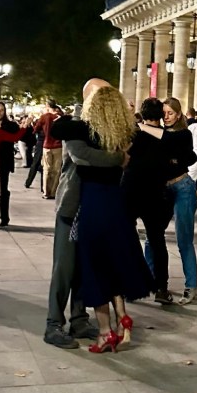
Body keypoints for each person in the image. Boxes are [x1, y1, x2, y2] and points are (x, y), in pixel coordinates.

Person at [56, 85, 152, 353]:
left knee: (95, 267)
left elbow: (64, 134)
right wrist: (120, 158)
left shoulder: (87, 132)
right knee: (113, 263)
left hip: (93, 204)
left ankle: (104, 332)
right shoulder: (125, 134)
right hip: (116, 204)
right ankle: (122, 317)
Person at [44, 83, 121, 349]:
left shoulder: (106, 126)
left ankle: (79, 319)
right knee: (64, 268)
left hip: (95, 207)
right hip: (72, 205)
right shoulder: (75, 126)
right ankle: (53, 323)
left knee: (84, 266)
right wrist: (118, 158)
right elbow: (81, 155)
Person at [125, 98, 177, 305]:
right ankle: (161, 288)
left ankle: (132, 283)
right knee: (157, 241)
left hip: (131, 191)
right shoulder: (167, 138)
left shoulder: (134, 134)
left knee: (129, 238)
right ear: (161, 115)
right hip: (155, 193)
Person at [152, 97, 197, 304]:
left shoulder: (183, 133)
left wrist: (144, 127)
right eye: (164, 113)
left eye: (170, 113)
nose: (166, 117)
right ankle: (150, 281)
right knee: (153, 236)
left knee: (184, 239)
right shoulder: (159, 133)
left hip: (182, 187)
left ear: (179, 114)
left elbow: (180, 151)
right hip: (164, 188)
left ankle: (191, 286)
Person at [0, 101, 20, 227]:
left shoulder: (11, 125)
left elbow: (20, 136)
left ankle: (4, 217)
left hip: (4, 161)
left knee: (3, 189)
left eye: (1, 110)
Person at [33, 100, 65, 199]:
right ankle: (54, 192)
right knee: (57, 170)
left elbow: (35, 129)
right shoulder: (61, 117)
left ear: (47, 106)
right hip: (58, 146)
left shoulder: (44, 117)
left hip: (47, 145)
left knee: (47, 169)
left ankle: (46, 192)